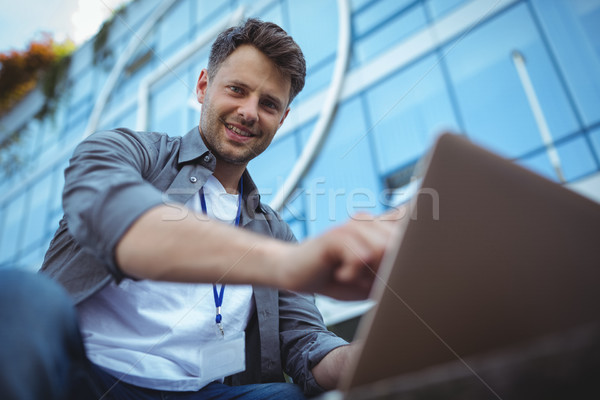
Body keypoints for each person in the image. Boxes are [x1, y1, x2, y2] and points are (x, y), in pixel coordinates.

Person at [3, 18, 399, 400]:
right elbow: (120, 219)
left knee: (288, 395)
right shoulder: (127, 152)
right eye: (237, 90)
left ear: (282, 119)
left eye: (269, 104)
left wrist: (378, 357)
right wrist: (291, 264)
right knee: (19, 293)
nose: (249, 111)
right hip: (88, 376)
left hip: (201, 392)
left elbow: (306, 344)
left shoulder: (274, 231)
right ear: (203, 86)